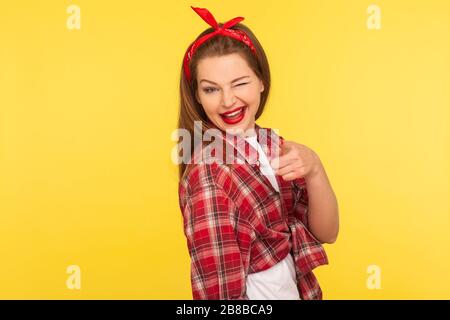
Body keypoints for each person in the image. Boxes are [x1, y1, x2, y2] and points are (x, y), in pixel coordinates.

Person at [177, 6, 339, 300]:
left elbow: (327, 233)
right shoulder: (208, 175)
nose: (228, 100)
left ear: (261, 81)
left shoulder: (270, 143)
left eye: (240, 83)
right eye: (211, 89)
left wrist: (315, 167)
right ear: (197, 96)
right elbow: (220, 295)